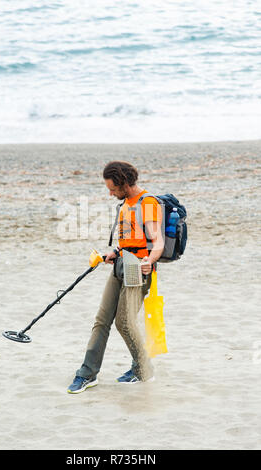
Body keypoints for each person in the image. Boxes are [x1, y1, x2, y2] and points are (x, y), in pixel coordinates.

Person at [67, 161, 164, 393]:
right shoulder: (125, 204)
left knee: (124, 322)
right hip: (120, 265)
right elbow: (128, 240)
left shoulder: (147, 203)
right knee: (102, 320)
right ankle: (87, 374)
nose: (110, 193)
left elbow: (157, 241)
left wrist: (149, 262)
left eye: (112, 188)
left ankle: (143, 369)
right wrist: (114, 252)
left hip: (137, 271)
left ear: (123, 183)